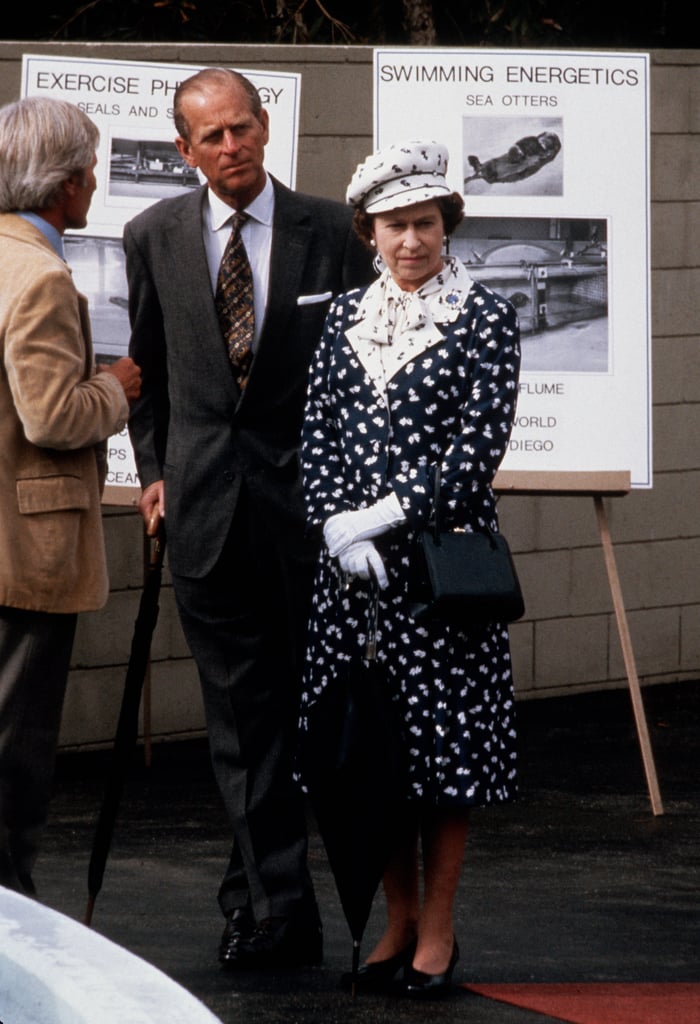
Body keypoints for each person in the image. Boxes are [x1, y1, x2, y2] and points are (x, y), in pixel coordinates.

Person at [123, 67, 373, 969]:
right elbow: (142, 373)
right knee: (239, 718)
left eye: (243, 128)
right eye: (212, 137)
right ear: (184, 151)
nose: (232, 148)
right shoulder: (150, 235)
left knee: (294, 722)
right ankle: (278, 909)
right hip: (203, 514)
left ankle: (260, 896)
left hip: (312, 520)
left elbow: (355, 376)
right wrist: (152, 473)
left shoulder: (328, 232)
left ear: (266, 128)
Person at [298, 140, 521, 998]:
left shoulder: (485, 317)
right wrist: (336, 529)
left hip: (439, 573)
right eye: (395, 226)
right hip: (352, 580)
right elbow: (314, 436)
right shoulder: (342, 317)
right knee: (370, 756)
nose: (412, 241)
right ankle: (394, 919)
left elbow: (475, 455)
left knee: (443, 757)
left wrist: (381, 517)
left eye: (426, 223)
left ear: (446, 225)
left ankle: (438, 927)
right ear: (369, 232)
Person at [0, 96, 142, 894]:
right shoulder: (42, 276)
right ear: (62, 184)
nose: (95, 178)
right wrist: (115, 387)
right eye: (89, 165)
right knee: (14, 760)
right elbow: (54, 416)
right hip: (23, 562)